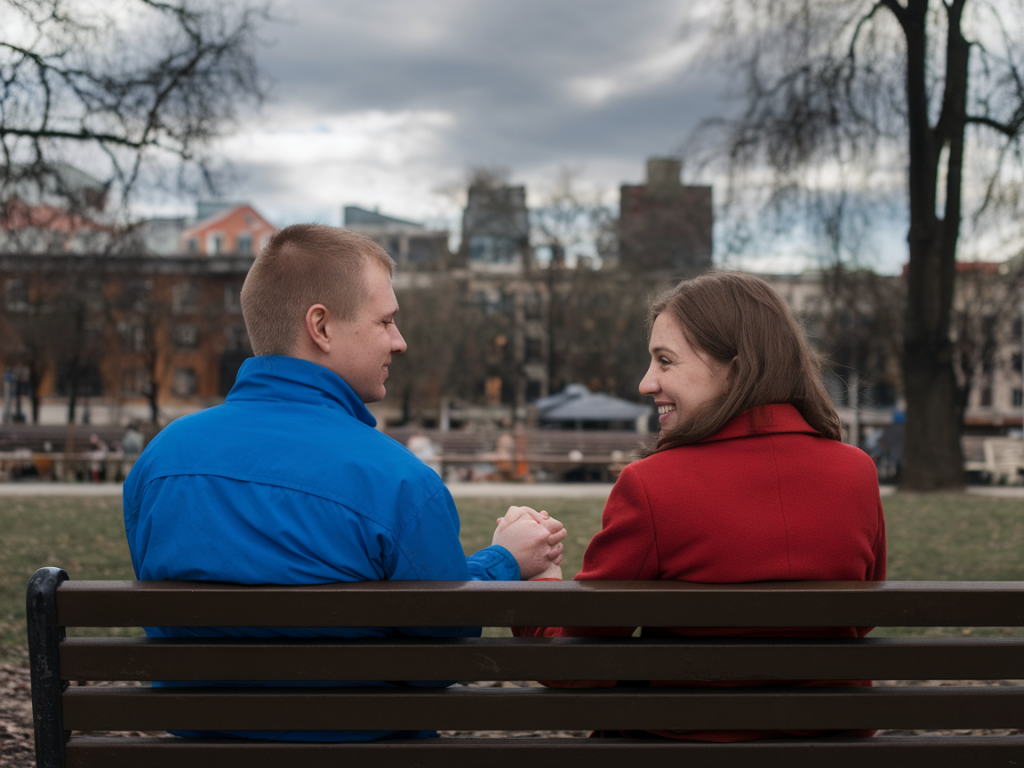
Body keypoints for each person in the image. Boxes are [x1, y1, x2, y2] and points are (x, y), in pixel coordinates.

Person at [124, 224, 566, 742]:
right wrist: (504, 563)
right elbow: (440, 658)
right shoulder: (399, 481)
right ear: (322, 327)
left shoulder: (160, 463)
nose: (399, 342)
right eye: (385, 321)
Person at [513, 271, 886, 742]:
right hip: (833, 746)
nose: (647, 382)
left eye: (665, 361)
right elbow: (860, 616)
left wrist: (538, 579)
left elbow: (575, 663)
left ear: (736, 366)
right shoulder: (856, 473)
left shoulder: (652, 486)